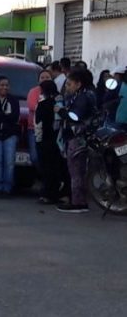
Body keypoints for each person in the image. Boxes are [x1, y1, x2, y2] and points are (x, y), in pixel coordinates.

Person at [57, 69, 96, 213]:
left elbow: (75, 117)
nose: (67, 87)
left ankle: (78, 202)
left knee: (76, 171)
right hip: (82, 137)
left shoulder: (82, 98)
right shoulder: (88, 95)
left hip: (78, 138)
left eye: (69, 84)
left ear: (78, 84)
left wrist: (60, 111)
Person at [35, 80, 68, 205]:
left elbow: (38, 123)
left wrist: (38, 140)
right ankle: (58, 193)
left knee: (47, 168)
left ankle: (47, 194)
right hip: (59, 140)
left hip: (46, 139)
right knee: (57, 167)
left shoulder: (43, 104)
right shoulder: (60, 103)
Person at [26, 70, 53, 178]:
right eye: (42, 77)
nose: (45, 79)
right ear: (38, 80)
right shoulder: (33, 92)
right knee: (35, 156)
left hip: (49, 129)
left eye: (47, 77)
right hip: (34, 129)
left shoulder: (54, 92)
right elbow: (33, 106)